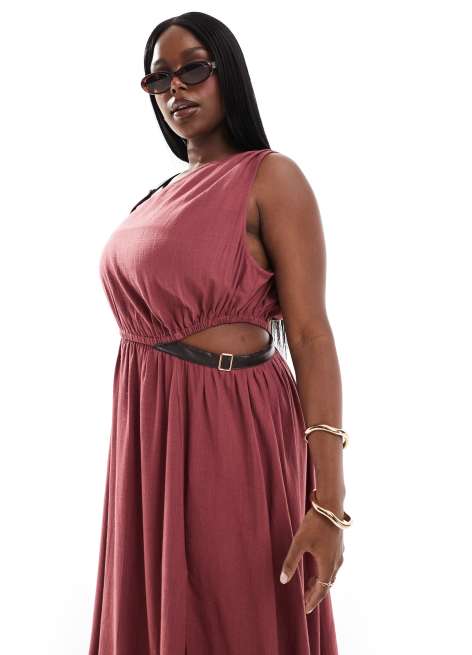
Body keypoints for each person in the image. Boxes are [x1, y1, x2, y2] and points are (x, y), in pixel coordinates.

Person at [88, 11, 351, 655]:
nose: (176, 88)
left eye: (193, 69)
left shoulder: (271, 177)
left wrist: (328, 505)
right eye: (159, 79)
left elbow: (311, 336)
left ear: (227, 72)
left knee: (235, 607)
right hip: (147, 433)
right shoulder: (159, 195)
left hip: (230, 425)